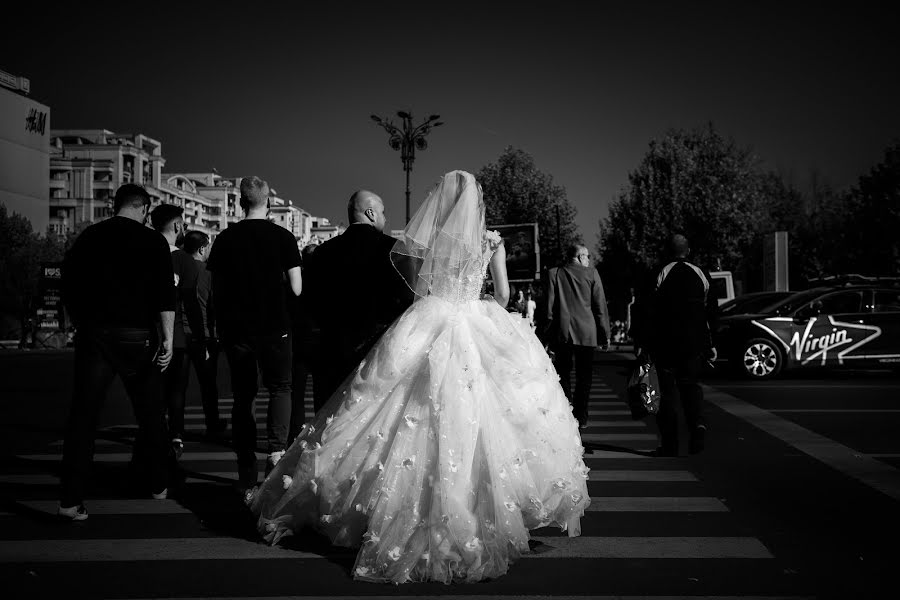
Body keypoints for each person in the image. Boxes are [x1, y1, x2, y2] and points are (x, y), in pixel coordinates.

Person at [249, 171, 590, 584]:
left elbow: (418, 292)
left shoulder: (427, 243)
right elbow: (501, 296)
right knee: (487, 418)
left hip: (433, 320)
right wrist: (478, 299)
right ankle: (479, 510)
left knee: (401, 413)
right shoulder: (491, 242)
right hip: (474, 321)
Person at [58, 183, 174, 520]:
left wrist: (81, 322)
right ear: (143, 208)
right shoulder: (153, 241)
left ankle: (70, 500)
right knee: (151, 414)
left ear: (116, 204)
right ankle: (158, 484)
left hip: (95, 335)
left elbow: (69, 285)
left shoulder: (90, 237)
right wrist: (166, 338)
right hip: (138, 336)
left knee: (84, 416)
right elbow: (164, 295)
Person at [206, 176, 302, 490]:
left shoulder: (225, 238)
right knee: (281, 387)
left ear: (239, 201)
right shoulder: (284, 237)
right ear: (268, 202)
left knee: (244, 395)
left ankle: (245, 464)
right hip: (275, 326)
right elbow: (297, 289)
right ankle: (276, 449)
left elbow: (216, 290)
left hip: (237, 328)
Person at [303, 190, 412, 411]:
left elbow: (310, 302)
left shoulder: (323, 253)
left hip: (332, 350)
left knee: (330, 420)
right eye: (383, 212)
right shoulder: (394, 249)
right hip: (379, 352)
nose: (385, 217)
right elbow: (408, 300)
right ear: (371, 213)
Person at [634, 233, 717, 457]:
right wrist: (710, 344)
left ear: (667, 251)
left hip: (664, 344)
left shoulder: (658, 273)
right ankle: (697, 425)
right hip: (693, 343)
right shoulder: (701, 274)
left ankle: (670, 444)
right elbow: (710, 313)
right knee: (691, 387)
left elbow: (644, 309)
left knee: (667, 394)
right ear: (688, 251)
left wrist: (641, 342)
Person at [150, 203, 202, 459]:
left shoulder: (145, 254)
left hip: (148, 334)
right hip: (178, 336)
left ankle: (154, 435)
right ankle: (176, 435)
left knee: (152, 390)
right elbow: (191, 303)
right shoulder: (184, 261)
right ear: (177, 226)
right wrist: (200, 338)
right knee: (177, 390)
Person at [543, 245, 611, 429]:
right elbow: (600, 307)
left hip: (562, 333)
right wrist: (604, 334)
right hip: (587, 334)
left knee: (563, 373)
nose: (589, 260)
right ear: (580, 257)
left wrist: (545, 335)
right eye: (587, 256)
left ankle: (567, 407)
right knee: (584, 377)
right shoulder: (592, 274)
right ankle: (581, 416)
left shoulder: (554, 274)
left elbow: (548, 310)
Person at [183, 230, 226, 438]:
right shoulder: (208, 272)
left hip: (180, 334)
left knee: (177, 385)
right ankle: (213, 423)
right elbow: (213, 306)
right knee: (208, 384)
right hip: (205, 335)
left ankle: (176, 427)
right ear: (202, 248)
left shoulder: (179, 267)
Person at [288, 242, 321, 442]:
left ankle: (294, 432)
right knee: (321, 391)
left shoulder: (295, 280)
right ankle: (319, 432)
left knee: (296, 393)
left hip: (299, 340)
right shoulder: (326, 280)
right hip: (320, 341)